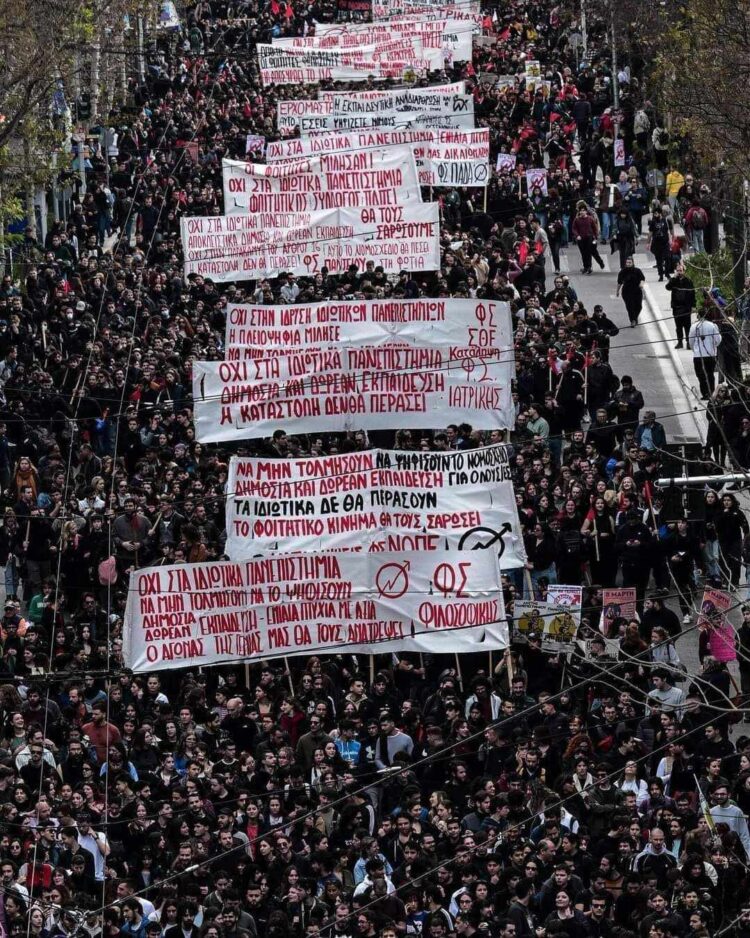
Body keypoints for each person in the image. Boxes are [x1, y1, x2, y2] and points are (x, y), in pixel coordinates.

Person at [688, 308, 722, 398]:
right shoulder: (712, 326)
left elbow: (691, 341)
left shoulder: (694, 326)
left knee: (701, 375)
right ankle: (711, 393)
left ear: (698, 315)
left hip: (698, 355)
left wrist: (695, 350)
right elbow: (718, 340)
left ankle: (705, 393)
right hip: (710, 354)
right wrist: (713, 345)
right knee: (710, 374)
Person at [665, 264, 696, 349]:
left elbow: (692, 294)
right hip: (676, 307)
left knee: (687, 326)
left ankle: (688, 343)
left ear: (684, 271)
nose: (679, 272)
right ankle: (680, 342)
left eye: (681, 271)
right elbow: (667, 287)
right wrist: (673, 278)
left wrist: (693, 306)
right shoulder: (674, 280)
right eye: (678, 271)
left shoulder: (688, 281)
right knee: (678, 327)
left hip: (686, 308)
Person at [616, 256, 646, 326]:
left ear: (633, 263)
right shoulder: (622, 272)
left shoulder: (637, 271)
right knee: (630, 307)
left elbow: (642, 279)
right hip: (627, 292)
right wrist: (617, 291)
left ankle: (634, 318)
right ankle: (633, 320)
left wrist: (641, 285)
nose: (628, 264)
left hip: (637, 291)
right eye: (627, 263)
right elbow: (619, 282)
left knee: (639, 306)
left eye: (630, 263)